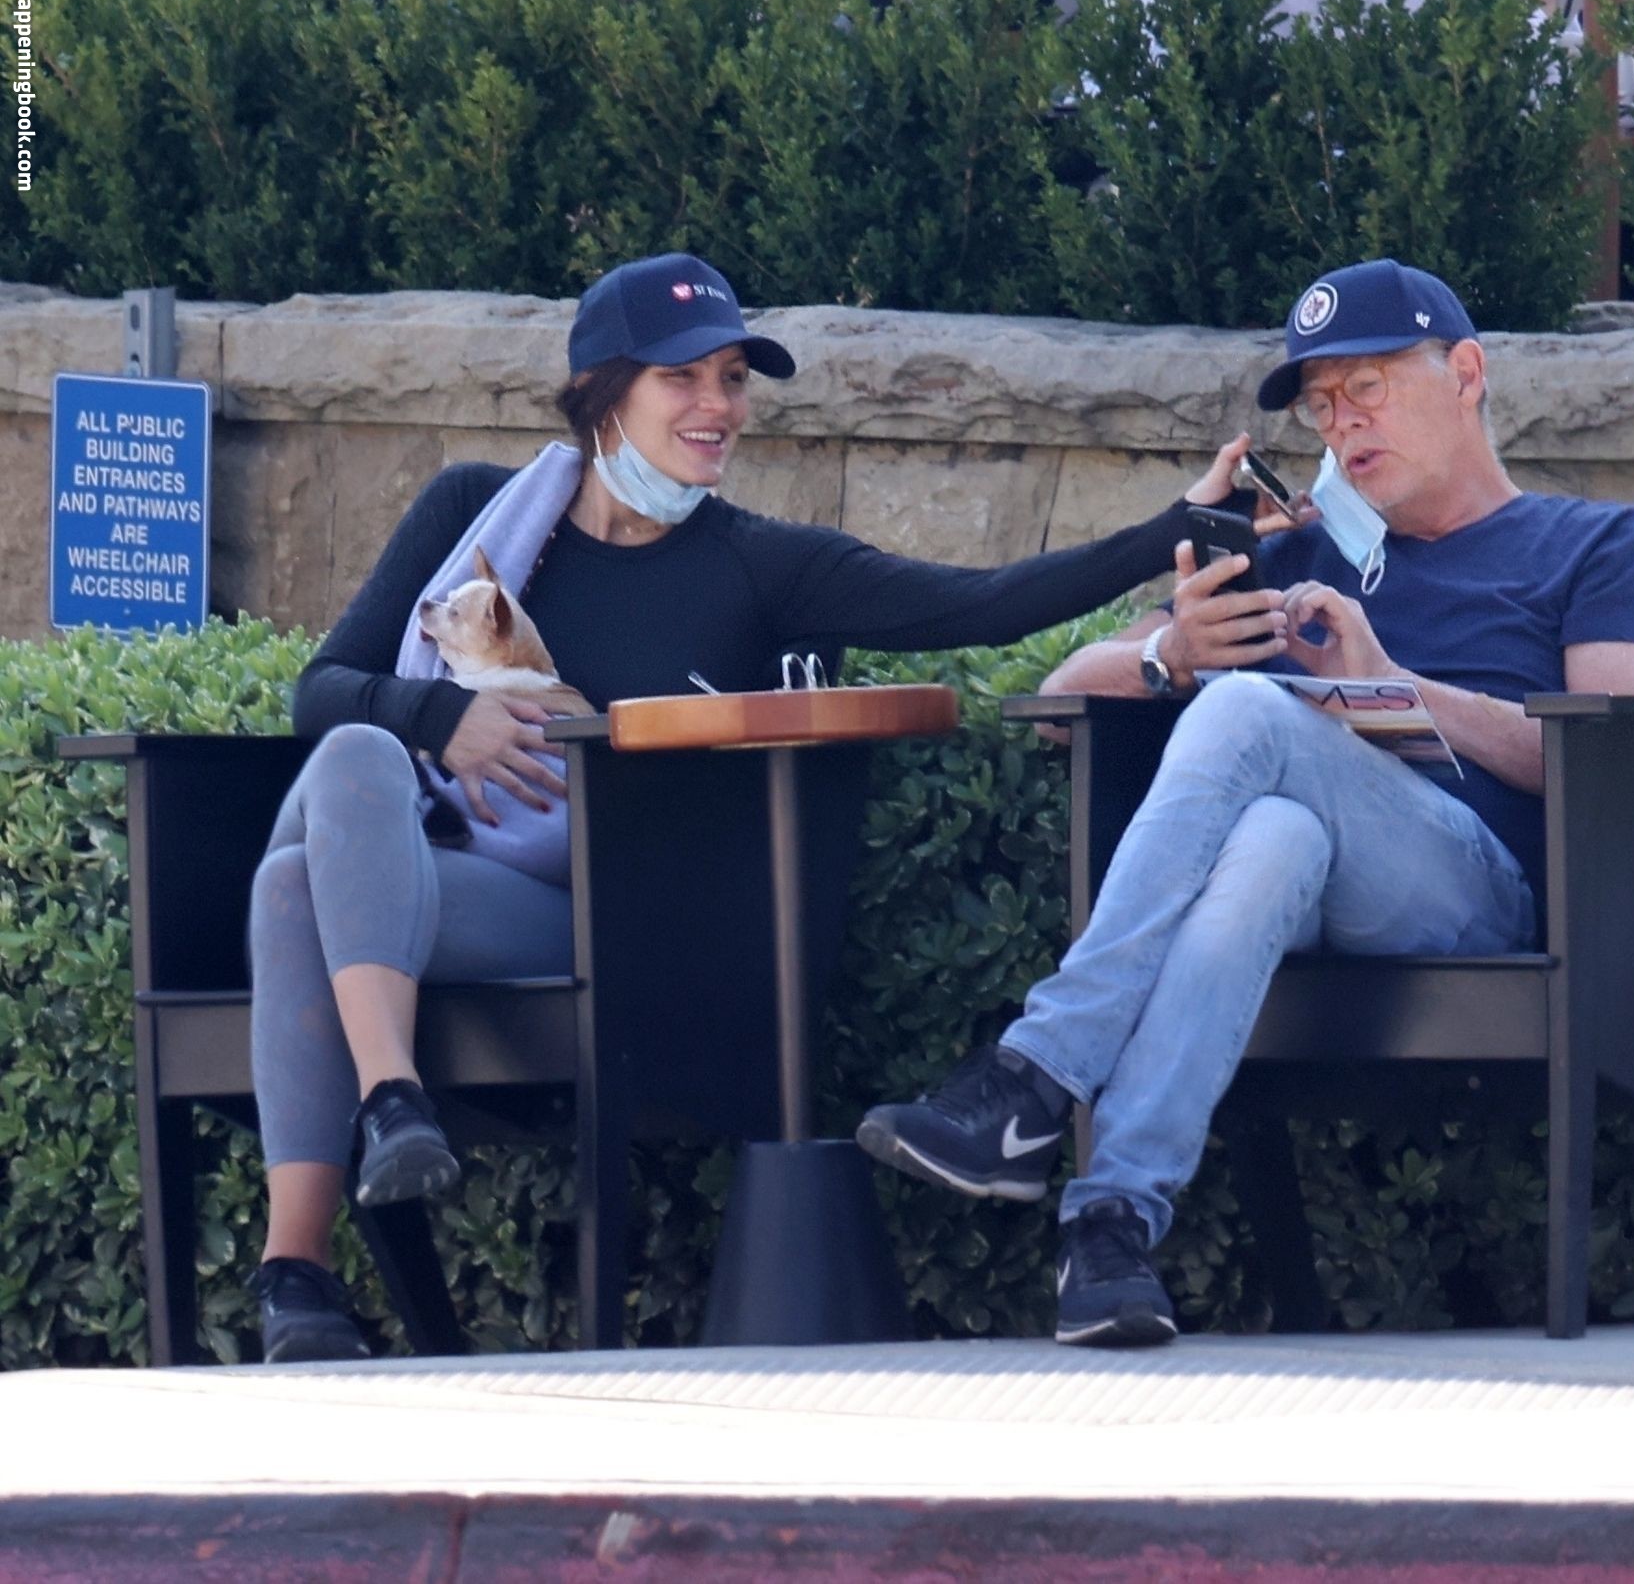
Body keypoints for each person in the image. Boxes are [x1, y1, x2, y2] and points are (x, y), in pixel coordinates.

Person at [244, 251, 1258, 1364]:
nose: (719, 405)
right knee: (348, 763)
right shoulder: (472, 516)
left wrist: (1174, 525)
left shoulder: (757, 565)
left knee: (295, 882)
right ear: (601, 391)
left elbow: (981, 603)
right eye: (683, 377)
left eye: (732, 378)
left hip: (599, 914)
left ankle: (303, 1265)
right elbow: (322, 688)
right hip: (436, 873)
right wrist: (444, 714)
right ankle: (385, 1108)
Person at [858, 257, 1634, 1347]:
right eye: (1324, 406)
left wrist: (1391, 686)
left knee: (1252, 710)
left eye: (1368, 387)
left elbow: (1629, 750)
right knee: (1271, 839)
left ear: (1466, 373)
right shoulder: (1299, 549)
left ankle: (1034, 1074)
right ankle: (1112, 1225)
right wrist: (1170, 651)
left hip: (1490, 891)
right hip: (1319, 883)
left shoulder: (1600, 541)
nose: (1344, 425)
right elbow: (1061, 698)